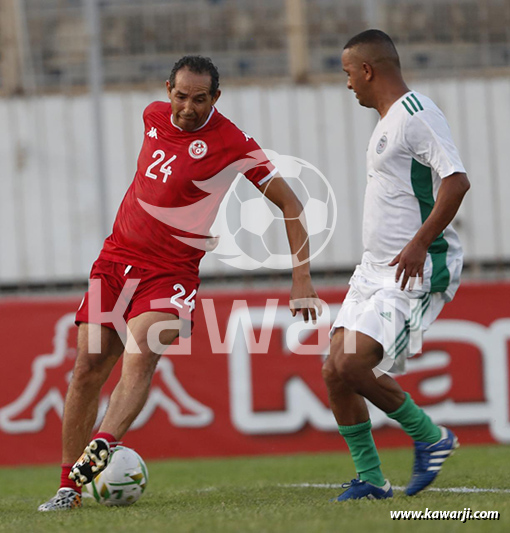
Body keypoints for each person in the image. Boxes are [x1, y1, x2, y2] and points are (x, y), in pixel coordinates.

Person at [38, 55, 320, 511]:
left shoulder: (232, 142)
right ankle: (67, 488)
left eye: (200, 99)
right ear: (168, 89)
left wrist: (301, 276)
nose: (188, 107)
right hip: (113, 262)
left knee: (140, 356)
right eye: (181, 96)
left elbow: (290, 204)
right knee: (87, 367)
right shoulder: (152, 116)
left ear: (217, 97)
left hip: (169, 275)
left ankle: (103, 445)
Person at [323, 30, 470, 501]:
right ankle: (370, 479)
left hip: (413, 269)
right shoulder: (387, 121)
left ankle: (431, 437)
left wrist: (419, 242)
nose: (348, 84)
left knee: (352, 362)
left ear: (367, 69)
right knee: (333, 370)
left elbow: (457, 181)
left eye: (348, 73)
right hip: (374, 271)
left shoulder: (416, 114)